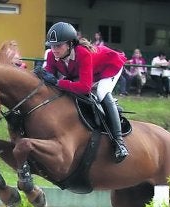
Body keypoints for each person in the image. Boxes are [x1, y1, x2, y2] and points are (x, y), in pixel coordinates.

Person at [41, 22, 128, 163]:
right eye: (52, 45)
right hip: (90, 73)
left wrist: (58, 82)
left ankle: (119, 143)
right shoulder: (52, 55)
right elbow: (48, 76)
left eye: (58, 45)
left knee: (100, 92)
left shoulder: (83, 53)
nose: (54, 49)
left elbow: (84, 87)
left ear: (70, 44)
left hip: (110, 66)